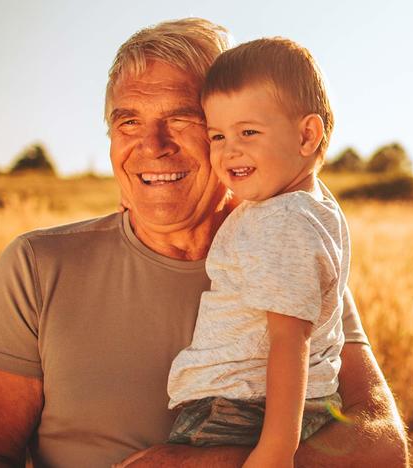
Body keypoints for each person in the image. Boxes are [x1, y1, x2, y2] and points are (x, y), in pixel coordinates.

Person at [0, 17, 408, 468]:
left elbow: (382, 446)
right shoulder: (38, 267)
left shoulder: (290, 252)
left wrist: (211, 464)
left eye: (181, 119)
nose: (151, 145)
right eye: (128, 123)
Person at [166, 37, 348, 468]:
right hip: (259, 403)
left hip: (241, 408)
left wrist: (275, 451)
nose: (230, 149)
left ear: (307, 135)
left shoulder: (280, 222)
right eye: (217, 135)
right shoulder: (307, 205)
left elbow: (290, 340)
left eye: (248, 131)